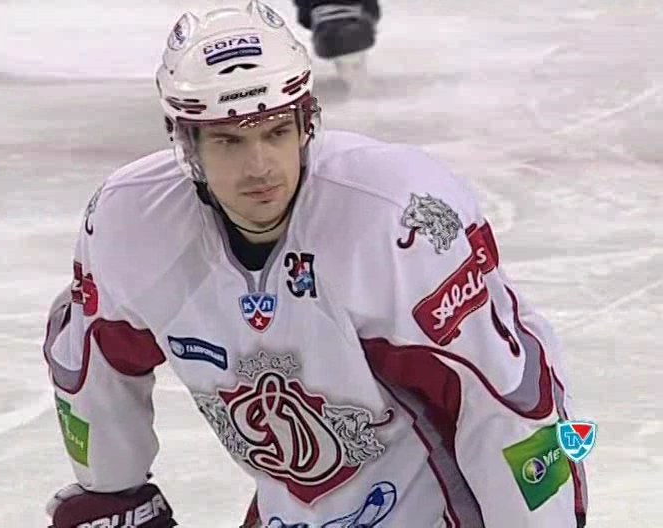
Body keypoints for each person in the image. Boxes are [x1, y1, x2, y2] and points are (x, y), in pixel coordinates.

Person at [43, 1, 588, 527]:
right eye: (229, 141)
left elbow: (505, 406)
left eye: (275, 132)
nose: (260, 166)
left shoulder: (395, 219)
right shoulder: (131, 223)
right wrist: (111, 492)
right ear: (187, 144)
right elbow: (91, 364)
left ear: (306, 123)